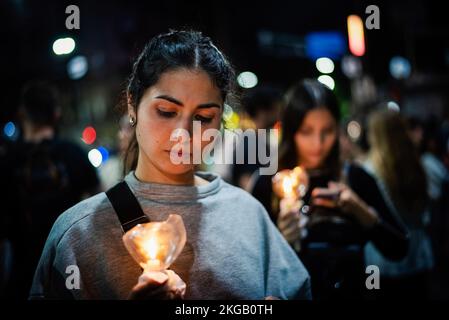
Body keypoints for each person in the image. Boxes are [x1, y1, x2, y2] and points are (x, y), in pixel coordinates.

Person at [30, 30, 311, 300]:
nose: (184, 134)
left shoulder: (248, 216)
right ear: (132, 103)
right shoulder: (77, 235)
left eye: (203, 117)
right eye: (166, 111)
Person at [250, 79, 409, 299]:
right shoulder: (268, 183)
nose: (318, 142)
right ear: (290, 131)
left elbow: (400, 248)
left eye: (328, 130)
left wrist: (361, 211)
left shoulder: (356, 178)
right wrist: (280, 239)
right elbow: (249, 268)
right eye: (306, 131)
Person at [0, 81, 100, 299]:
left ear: (21, 114)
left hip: (23, 274)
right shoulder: (73, 154)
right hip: (71, 271)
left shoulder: (7, 162)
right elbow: (100, 210)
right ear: (56, 114)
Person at [362, 109, 434, 299]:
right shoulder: (417, 163)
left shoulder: (369, 170)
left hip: (380, 262)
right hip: (418, 256)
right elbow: (425, 213)